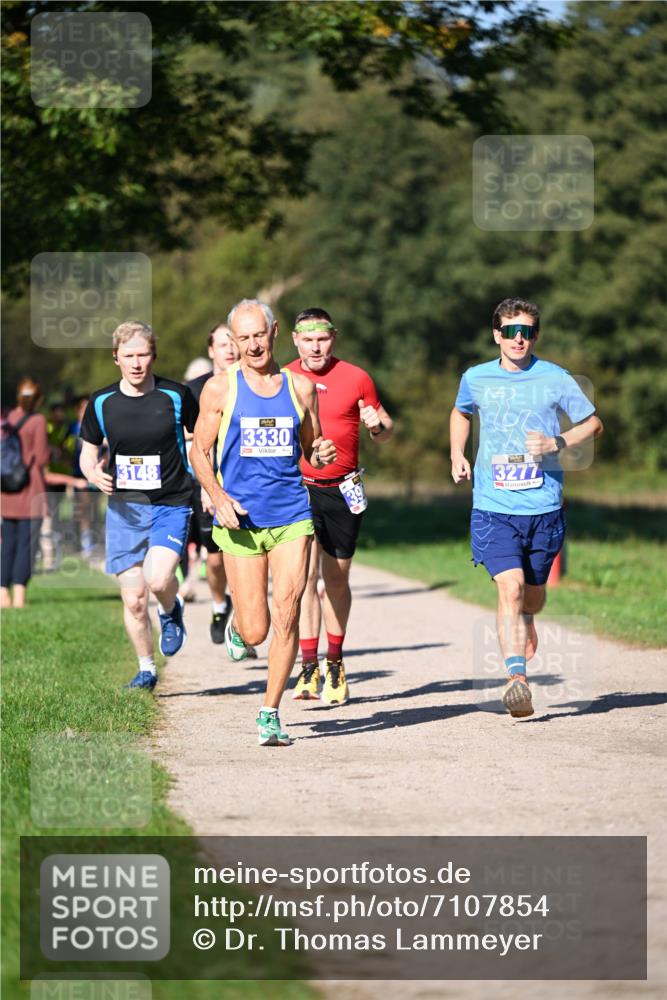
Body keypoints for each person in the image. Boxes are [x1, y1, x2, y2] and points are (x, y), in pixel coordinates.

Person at [190, 299, 336, 746]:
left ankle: (270, 712)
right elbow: (200, 450)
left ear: (274, 333)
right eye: (243, 337)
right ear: (232, 342)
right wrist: (217, 497)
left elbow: (312, 445)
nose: (253, 344)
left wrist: (320, 454)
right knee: (256, 628)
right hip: (240, 521)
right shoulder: (219, 389)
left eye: (259, 334)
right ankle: (237, 626)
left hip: (292, 514)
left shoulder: (301, 388)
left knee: (288, 610)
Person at [450, 297, 603, 718]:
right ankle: (516, 679)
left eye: (527, 331)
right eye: (511, 331)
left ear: (535, 335)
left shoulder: (554, 377)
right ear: (496, 334)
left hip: (544, 506)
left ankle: (527, 620)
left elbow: (593, 423)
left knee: (531, 597)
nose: (519, 339)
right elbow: (461, 413)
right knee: (510, 588)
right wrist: (456, 454)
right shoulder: (476, 377)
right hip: (493, 505)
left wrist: (558, 443)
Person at [79, 321, 198, 690]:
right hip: (125, 510)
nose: (136, 363)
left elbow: (196, 440)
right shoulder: (101, 403)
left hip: (170, 502)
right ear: (116, 358)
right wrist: (93, 476)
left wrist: (202, 477)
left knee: (159, 579)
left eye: (142, 354)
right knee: (132, 599)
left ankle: (169, 608)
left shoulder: (176, 396)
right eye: (128, 356)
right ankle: (146, 669)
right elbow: (87, 454)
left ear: (153, 355)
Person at [286, 308, 394, 705]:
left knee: (335, 580)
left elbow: (384, 428)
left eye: (323, 339)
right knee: (304, 579)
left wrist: (376, 425)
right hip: (298, 488)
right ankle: (309, 666)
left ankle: (335, 661)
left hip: (343, 489)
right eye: (308, 339)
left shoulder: (356, 377)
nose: (316, 347)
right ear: (296, 339)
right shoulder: (283, 379)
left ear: (333, 338)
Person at [185, 323, 256, 650]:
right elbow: (189, 439)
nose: (229, 349)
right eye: (221, 344)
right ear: (211, 350)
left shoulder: (255, 384)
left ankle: (245, 623)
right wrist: (207, 484)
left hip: (247, 485)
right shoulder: (194, 390)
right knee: (214, 559)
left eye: (233, 342)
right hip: (206, 484)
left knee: (247, 557)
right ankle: (219, 605)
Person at [1, 379, 51, 608]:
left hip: (7, 493)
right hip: (31, 492)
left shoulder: (7, 418)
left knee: (7, 544)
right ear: (39, 397)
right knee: (27, 546)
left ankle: (3, 595)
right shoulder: (38, 420)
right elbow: (41, 458)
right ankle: (19, 596)